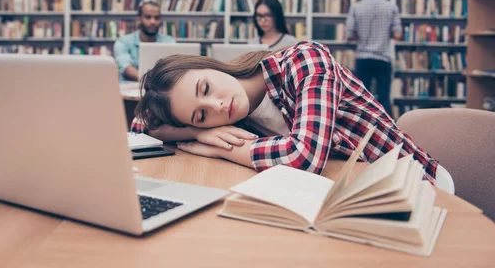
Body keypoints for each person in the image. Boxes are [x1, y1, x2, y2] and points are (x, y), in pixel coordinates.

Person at [130, 41, 452, 189]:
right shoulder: (229, 117)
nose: (217, 106)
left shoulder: (305, 60)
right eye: (201, 115)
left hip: (417, 188)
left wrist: (224, 147)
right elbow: (143, 126)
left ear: (210, 65)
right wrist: (198, 132)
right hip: (350, 189)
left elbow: (306, 156)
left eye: (205, 88)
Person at [345, 0, 403, 117]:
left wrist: (363, 35)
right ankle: (389, 134)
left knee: (362, 99)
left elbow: (350, 35)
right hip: (383, 58)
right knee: (384, 98)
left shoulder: (356, 7)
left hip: (363, 58)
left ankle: (362, 132)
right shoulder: (391, 7)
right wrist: (385, 33)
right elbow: (398, 34)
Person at [113, 1, 175, 82]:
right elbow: (126, 68)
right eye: (148, 17)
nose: (153, 22)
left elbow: (173, 70)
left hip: (159, 91)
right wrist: (150, 82)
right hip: (130, 89)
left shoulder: (169, 42)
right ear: (139, 19)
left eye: (156, 18)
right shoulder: (123, 42)